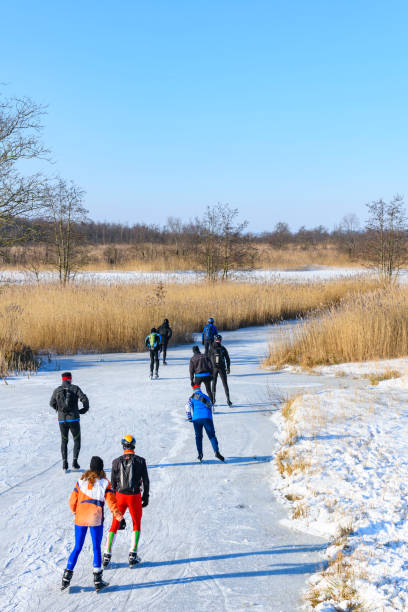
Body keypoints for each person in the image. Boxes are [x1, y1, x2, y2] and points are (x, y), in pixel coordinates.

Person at [61, 456, 123, 593]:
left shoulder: (81, 480)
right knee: (96, 548)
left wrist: (75, 512)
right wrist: (119, 518)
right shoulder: (105, 483)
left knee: (77, 547)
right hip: (95, 519)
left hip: (80, 518)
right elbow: (112, 504)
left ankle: (66, 576)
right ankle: (97, 580)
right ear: (101, 468)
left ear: (90, 467)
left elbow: (72, 501)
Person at [103, 435, 150, 568]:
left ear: (123, 446)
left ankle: (107, 554)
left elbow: (112, 483)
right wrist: (145, 496)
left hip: (120, 496)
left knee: (114, 524)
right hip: (134, 496)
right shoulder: (141, 461)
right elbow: (145, 481)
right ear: (134, 446)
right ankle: (132, 554)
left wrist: (113, 500)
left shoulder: (115, 461)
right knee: (136, 523)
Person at [50, 371, 89, 471]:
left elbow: (51, 403)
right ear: (70, 379)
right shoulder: (75, 388)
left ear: (62, 379)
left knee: (64, 440)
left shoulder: (57, 390)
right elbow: (84, 399)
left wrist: (59, 410)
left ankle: (64, 464)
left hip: (62, 420)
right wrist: (83, 410)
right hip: (74, 418)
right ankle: (75, 463)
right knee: (77, 440)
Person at [185, 382, 224, 463]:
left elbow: (187, 406)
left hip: (196, 419)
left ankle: (200, 454)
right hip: (207, 418)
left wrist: (189, 417)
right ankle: (216, 452)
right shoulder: (206, 397)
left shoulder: (192, 397)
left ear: (194, 390)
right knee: (212, 436)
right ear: (200, 390)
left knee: (198, 437)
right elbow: (211, 408)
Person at [210, 334, 232, 406]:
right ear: (221, 340)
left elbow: (208, 359)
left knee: (214, 383)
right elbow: (228, 359)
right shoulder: (223, 348)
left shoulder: (212, 348)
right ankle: (228, 400)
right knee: (225, 384)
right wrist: (228, 368)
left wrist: (209, 368)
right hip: (222, 368)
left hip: (214, 368)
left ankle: (213, 399)